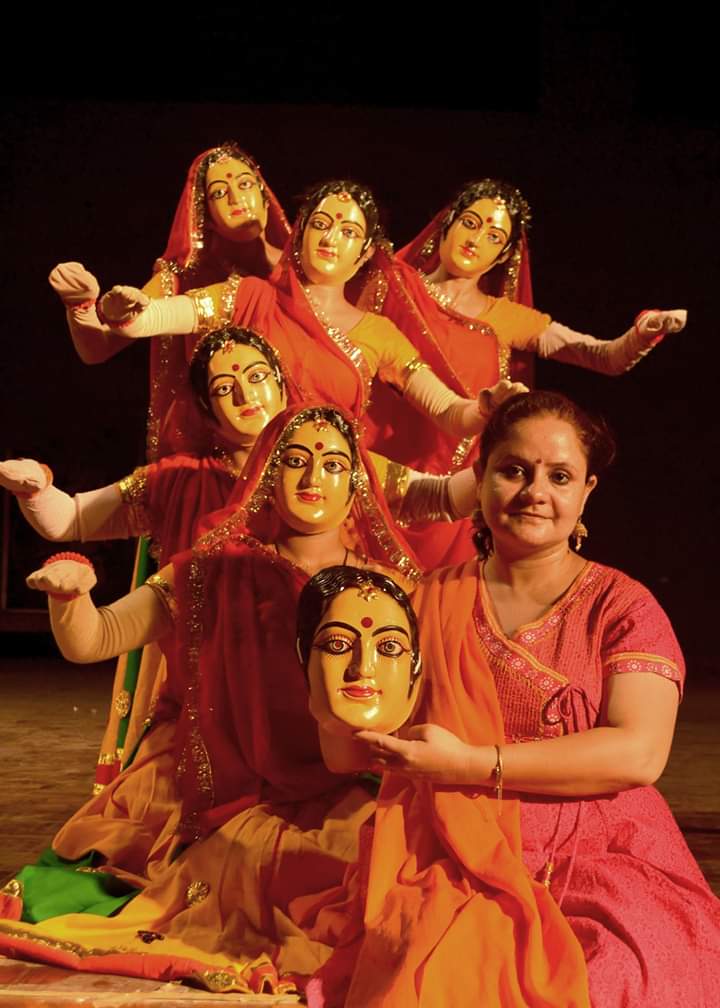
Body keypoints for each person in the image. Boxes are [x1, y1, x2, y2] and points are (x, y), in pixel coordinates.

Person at [0, 405, 421, 998]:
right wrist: (71, 600)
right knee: (264, 869)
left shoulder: (391, 587)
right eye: (295, 461)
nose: (313, 478)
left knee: (386, 882)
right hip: (245, 796)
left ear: (356, 481)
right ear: (266, 474)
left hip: (357, 786)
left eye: (333, 464)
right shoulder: (210, 573)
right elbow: (96, 640)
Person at [356, 390, 720, 1007]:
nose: (534, 492)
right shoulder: (423, 602)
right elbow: (362, 731)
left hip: (601, 849)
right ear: (480, 477)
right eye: (514, 470)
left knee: (619, 974)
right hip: (453, 843)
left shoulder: (622, 607)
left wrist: (470, 764)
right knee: (447, 975)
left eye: (559, 476)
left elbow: (639, 754)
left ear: (587, 492)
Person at [362, 178, 687, 569]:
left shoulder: (506, 317)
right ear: (446, 225)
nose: (476, 239)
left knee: (440, 597)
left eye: (494, 237)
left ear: (503, 255)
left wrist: (643, 334)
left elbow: (605, 356)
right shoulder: (391, 285)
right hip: (378, 465)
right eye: (470, 223)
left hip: (459, 492)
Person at [94, 180, 524, 444]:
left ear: (365, 253)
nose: (331, 238)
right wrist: (129, 312)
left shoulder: (379, 333)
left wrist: (484, 409)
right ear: (299, 235)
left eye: (348, 231)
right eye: (321, 224)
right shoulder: (250, 297)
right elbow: (156, 317)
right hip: (239, 486)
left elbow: (449, 413)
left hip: (327, 496)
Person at [48, 141, 290, 460]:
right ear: (205, 216)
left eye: (245, 184)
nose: (236, 198)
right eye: (219, 192)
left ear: (264, 196)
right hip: (216, 456)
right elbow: (97, 348)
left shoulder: (304, 270)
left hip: (302, 446)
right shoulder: (181, 279)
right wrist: (80, 307)